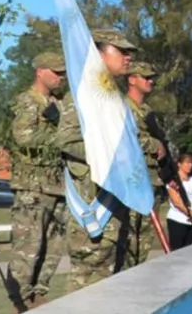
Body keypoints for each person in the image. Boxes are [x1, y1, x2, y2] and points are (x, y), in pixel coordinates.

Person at [60, 28, 138, 291]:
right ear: (99, 54)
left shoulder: (114, 98)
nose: (128, 58)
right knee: (87, 290)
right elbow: (67, 139)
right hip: (94, 205)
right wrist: (108, 154)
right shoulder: (82, 95)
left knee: (112, 288)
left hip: (116, 206)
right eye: (122, 51)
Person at [6, 51, 71, 309]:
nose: (60, 77)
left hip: (58, 185)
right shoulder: (28, 102)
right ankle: (20, 299)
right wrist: (61, 138)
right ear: (40, 72)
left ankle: (39, 291)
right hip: (32, 186)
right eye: (56, 72)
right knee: (29, 246)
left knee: (54, 244)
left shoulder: (60, 104)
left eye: (62, 73)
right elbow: (23, 137)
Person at [124, 61, 166, 266]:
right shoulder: (122, 107)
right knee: (130, 233)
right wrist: (153, 144)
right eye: (146, 77)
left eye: (152, 78)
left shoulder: (148, 111)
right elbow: (124, 138)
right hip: (133, 179)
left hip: (152, 179)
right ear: (132, 79)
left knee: (145, 237)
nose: (151, 81)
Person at [165, 153, 192, 250]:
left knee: (187, 251)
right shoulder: (173, 181)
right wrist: (189, 213)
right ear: (179, 164)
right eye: (187, 163)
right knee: (177, 251)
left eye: (191, 163)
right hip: (177, 219)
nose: (190, 165)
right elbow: (176, 201)